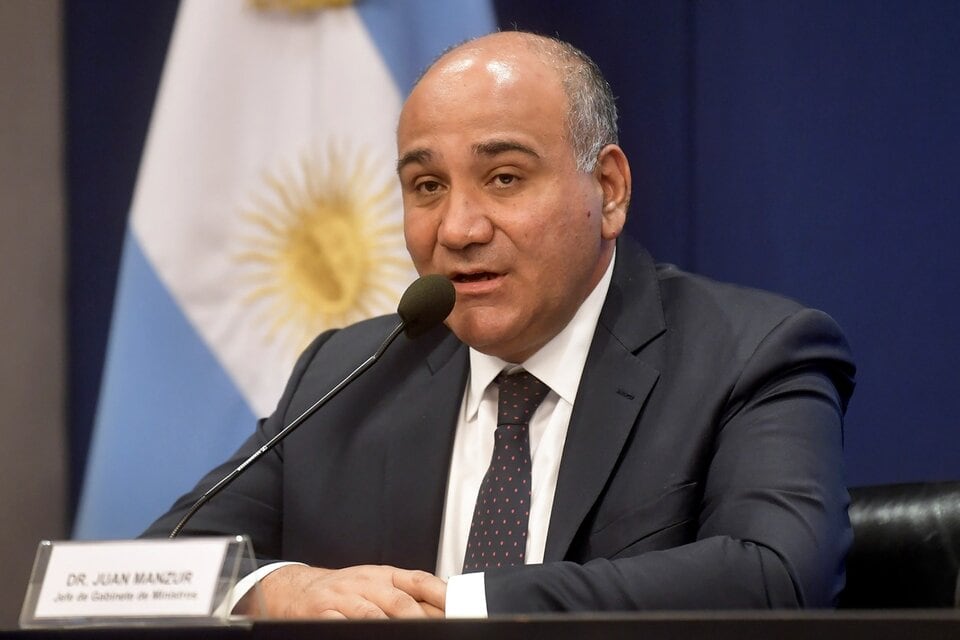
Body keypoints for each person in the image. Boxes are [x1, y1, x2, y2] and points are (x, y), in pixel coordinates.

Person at [145, 31, 855, 619]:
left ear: (608, 191)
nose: (458, 228)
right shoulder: (347, 374)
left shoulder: (752, 353)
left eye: (505, 178)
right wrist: (273, 589)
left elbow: (778, 576)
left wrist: (458, 607)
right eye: (427, 187)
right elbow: (158, 562)